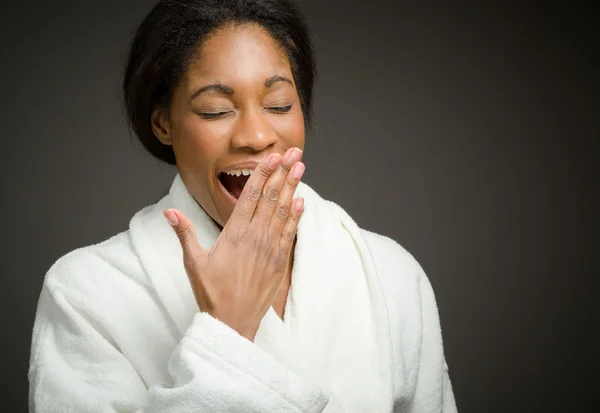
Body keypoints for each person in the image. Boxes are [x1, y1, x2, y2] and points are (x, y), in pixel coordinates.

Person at [28, 0, 457, 411]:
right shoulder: (85, 293)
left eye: (279, 105)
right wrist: (227, 332)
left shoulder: (389, 274)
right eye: (215, 110)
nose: (255, 135)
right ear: (163, 123)